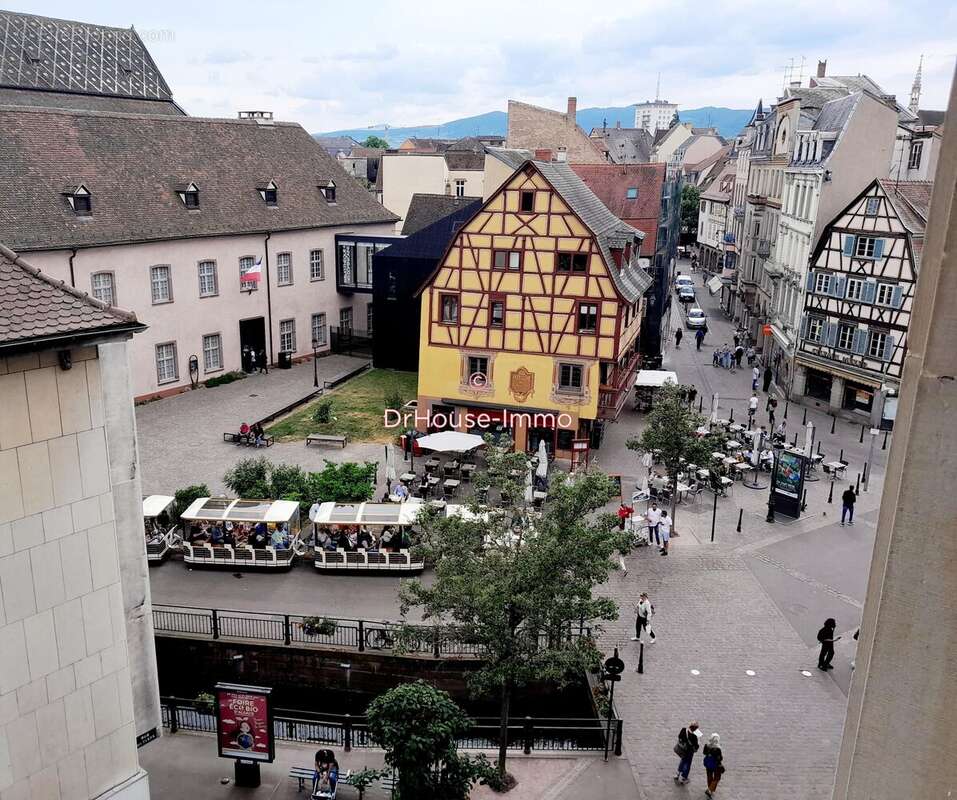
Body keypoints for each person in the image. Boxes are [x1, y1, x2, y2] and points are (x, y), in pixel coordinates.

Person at [702, 733, 724, 797]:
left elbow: (704, 752)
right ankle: (710, 790)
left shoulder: (706, 745)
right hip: (715, 765)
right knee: (717, 777)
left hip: (708, 763)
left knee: (709, 776)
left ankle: (710, 788)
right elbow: (720, 758)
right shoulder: (717, 749)